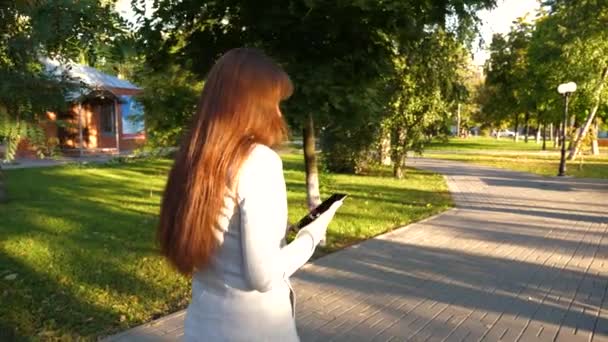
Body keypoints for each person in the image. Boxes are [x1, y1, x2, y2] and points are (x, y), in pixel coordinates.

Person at [157, 48, 343, 341]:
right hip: (255, 330)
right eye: (274, 103)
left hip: (202, 327)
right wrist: (312, 235)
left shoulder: (193, 160)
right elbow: (264, 276)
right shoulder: (259, 161)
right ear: (250, 105)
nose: (279, 113)